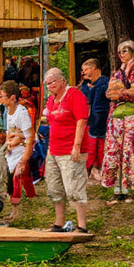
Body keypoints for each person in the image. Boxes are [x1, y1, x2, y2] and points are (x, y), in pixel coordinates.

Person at [101, 40, 134, 203]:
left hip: (132, 115)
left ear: (133, 52)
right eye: (119, 51)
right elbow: (109, 92)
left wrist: (119, 92)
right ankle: (117, 188)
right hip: (115, 114)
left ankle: (129, 187)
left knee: (130, 150)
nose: (121, 54)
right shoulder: (117, 72)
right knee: (114, 150)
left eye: (125, 51)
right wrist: (120, 92)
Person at [42, 68, 90, 232]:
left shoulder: (74, 95)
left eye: (53, 81)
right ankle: (58, 222)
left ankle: (82, 225)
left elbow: (81, 120)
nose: (50, 86)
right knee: (55, 187)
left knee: (74, 186)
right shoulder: (51, 99)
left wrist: (76, 146)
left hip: (71, 148)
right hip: (54, 148)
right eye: (48, 83)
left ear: (62, 81)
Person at [0, 80, 35, 221]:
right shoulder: (8, 111)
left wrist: (24, 159)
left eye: (2, 96)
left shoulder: (21, 113)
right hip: (11, 151)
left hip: (20, 152)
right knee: (10, 182)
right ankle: (14, 210)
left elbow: (30, 138)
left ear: (12, 97)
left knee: (16, 180)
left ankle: (18, 211)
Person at [79, 58, 110, 183]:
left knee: (102, 147)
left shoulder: (106, 81)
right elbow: (86, 101)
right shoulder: (86, 86)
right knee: (92, 148)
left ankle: (100, 169)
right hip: (92, 120)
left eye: (86, 69)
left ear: (94, 68)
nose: (84, 72)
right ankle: (89, 171)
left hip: (104, 118)